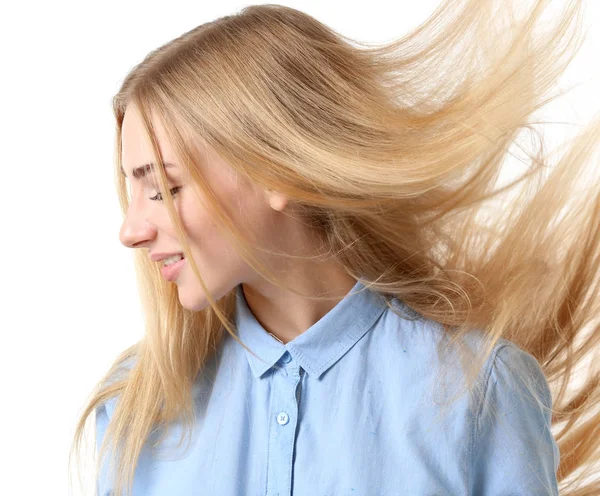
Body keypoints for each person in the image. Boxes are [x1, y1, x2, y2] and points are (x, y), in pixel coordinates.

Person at [69, 1, 600, 495]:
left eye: (163, 189)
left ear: (278, 169)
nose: (130, 230)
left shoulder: (479, 390)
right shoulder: (133, 407)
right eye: (132, 188)